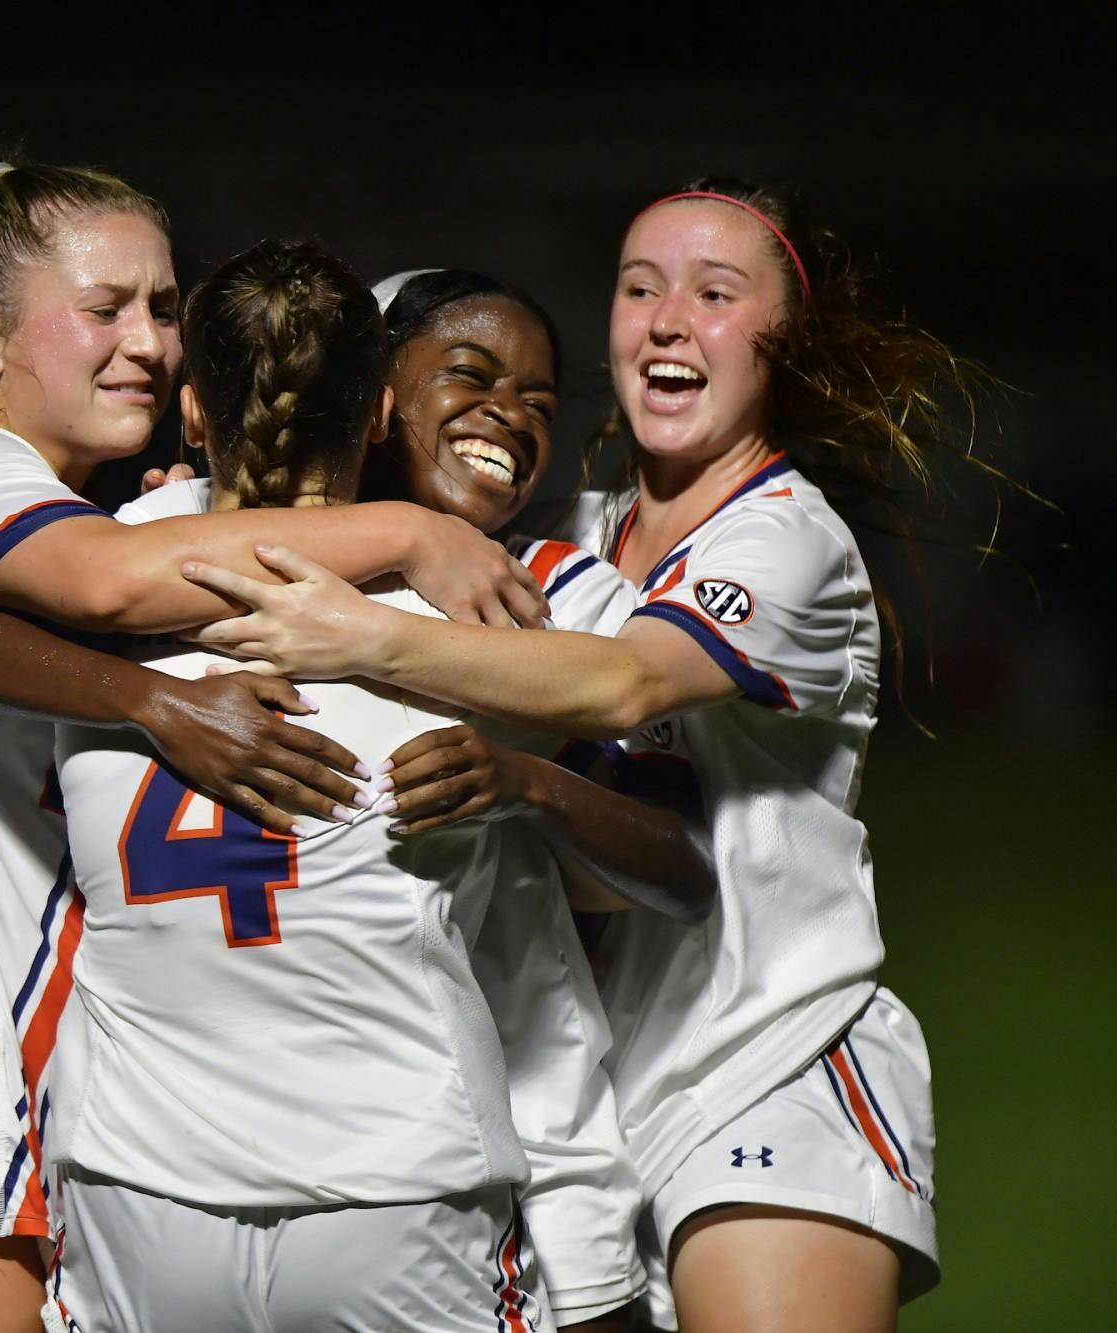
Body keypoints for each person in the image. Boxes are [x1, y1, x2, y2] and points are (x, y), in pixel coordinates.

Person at [0, 154, 553, 1333]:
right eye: (103, 309)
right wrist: (407, 531)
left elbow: (12, 622)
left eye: (165, 309)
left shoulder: (101, 509)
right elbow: (110, 587)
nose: (148, 342)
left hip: (88, 1133)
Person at [181, 181, 959, 1331]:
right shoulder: (566, 539)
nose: (663, 317)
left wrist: (365, 631)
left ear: (775, 341)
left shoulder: (781, 538)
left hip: (764, 1054)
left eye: (712, 292)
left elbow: (623, 682)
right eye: (638, 287)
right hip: (575, 1091)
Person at [40, 241, 719, 1331]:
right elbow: (682, 863)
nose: (506, 413)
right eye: (468, 375)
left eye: (536, 396)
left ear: (193, 412)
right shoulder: (508, 601)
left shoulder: (94, 565)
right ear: (380, 408)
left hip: (133, 1172)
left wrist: (148, 699)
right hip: (401, 1164)